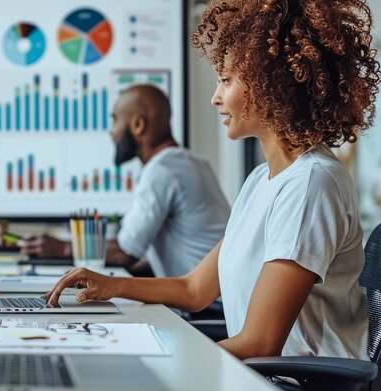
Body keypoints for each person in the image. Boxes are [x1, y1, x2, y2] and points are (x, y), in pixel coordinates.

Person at [45, 0, 381, 360]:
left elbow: (259, 343)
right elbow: (194, 289)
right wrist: (111, 285)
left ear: (269, 82)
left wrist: (165, 364)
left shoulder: (312, 184)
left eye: (226, 80)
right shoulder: (263, 181)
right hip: (265, 381)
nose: (216, 97)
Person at [23, 84, 231, 283]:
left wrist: (62, 248)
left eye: (115, 120)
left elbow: (125, 252)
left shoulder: (162, 171)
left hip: (206, 313)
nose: (111, 132)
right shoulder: (191, 163)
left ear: (138, 125)